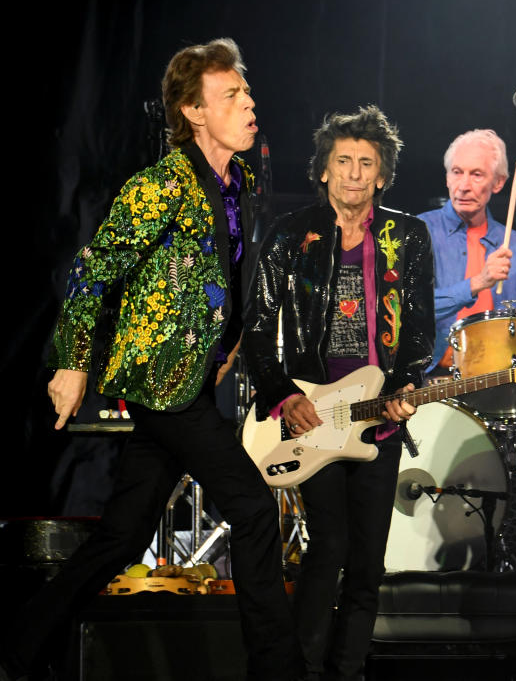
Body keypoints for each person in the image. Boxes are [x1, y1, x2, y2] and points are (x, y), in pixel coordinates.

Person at [17, 38, 304, 680]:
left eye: (247, 91)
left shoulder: (243, 182)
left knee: (121, 536)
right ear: (193, 111)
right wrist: (73, 362)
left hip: (198, 382)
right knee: (255, 511)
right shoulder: (157, 185)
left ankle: (18, 645)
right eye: (231, 95)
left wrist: (227, 344)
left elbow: (228, 272)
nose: (249, 102)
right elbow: (95, 272)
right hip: (159, 381)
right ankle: (278, 671)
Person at [242, 105, 434, 681]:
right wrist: (282, 394)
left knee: (368, 561)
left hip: (377, 417)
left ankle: (347, 671)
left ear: (382, 175)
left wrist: (408, 386)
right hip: (312, 413)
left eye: (366, 163)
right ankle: (300, 669)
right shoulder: (289, 235)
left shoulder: (409, 235)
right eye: (342, 161)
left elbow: (422, 329)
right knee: (329, 547)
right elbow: (256, 327)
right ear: (323, 171)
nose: (353, 173)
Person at [417, 128, 516, 376]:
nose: (464, 186)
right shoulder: (419, 231)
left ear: (499, 182)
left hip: (500, 375)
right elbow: (410, 309)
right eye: (457, 172)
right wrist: (479, 282)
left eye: (477, 175)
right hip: (436, 377)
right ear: (447, 178)